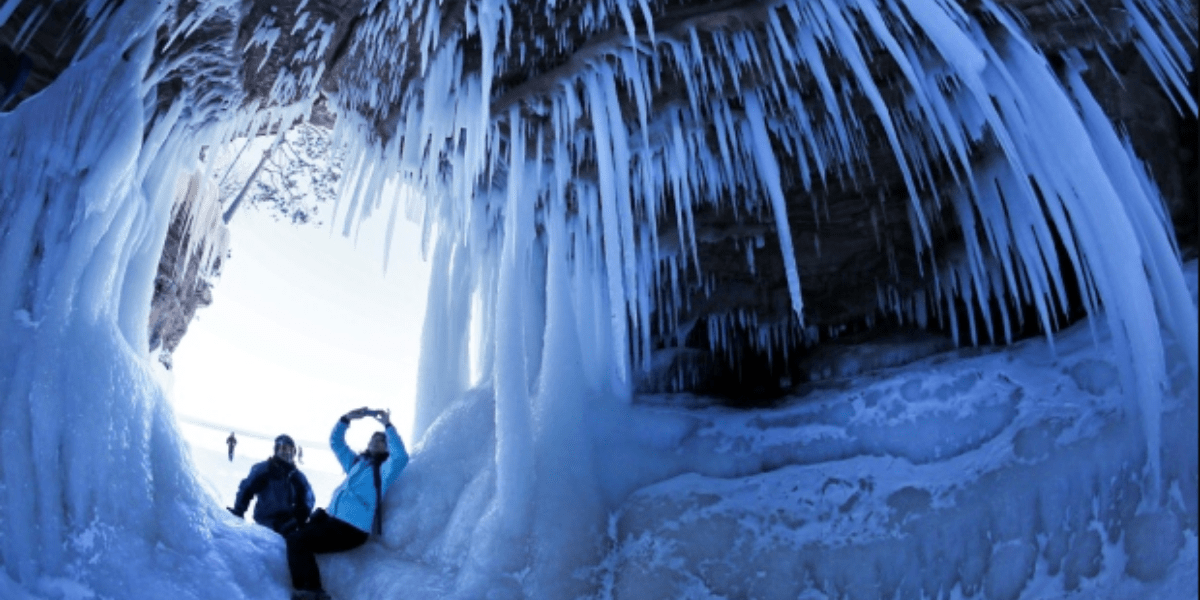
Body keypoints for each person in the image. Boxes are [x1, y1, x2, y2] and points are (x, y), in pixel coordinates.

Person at [285, 408, 409, 600]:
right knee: (294, 535)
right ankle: (308, 590)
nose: (377, 442)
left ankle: (312, 591)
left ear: (387, 448)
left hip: (351, 530)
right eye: (374, 439)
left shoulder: (384, 471)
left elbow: (401, 457)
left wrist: (387, 425)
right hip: (333, 521)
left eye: (382, 441)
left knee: (297, 541)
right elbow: (336, 443)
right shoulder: (356, 463)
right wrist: (346, 419)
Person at [228, 434, 315, 537]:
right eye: (282, 449)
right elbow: (246, 488)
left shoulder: (297, 476)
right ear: (276, 450)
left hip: (290, 522)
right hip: (266, 521)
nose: (286, 453)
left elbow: (309, 498)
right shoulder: (264, 470)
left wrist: (302, 515)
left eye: (290, 450)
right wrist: (239, 510)